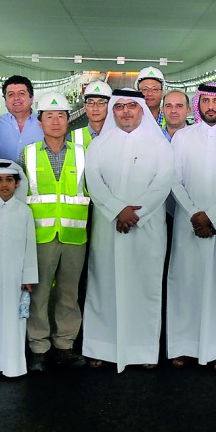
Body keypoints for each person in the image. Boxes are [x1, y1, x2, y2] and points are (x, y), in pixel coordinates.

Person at [82, 87, 174, 370]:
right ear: (114, 111)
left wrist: (136, 214)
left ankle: (143, 350)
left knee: (145, 287)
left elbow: (163, 182)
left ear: (140, 110)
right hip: (108, 229)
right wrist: (116, 211)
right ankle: (100, 347)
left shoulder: (159, 145)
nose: (125, 112)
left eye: (131, 107)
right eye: (119, 107)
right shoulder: (99, 144)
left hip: (146, 230)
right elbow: (93, 182)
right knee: (103, 286)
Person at [166, 84, 216, 372]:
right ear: (197, 105)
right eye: (206, 101)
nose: (211, 106)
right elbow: (174, 179)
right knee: (186, 282)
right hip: (188, 222)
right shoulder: (183, 137)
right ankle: (184, 346)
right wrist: (194, 214)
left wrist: (214, 216)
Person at [23, 92, 91, 371]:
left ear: (69, 120)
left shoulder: (83, 153)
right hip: (40, 236)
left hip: (75, 235)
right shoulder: (27, 154)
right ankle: (38, 346)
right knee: (38, 294)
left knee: (68, 292)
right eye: (49, 116)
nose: (55, 121)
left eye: (61, 116)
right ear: (39, 122)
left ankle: (65, 343)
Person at [0, 160, 39, 378]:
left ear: (18, 183)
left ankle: (14, 366)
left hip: (15, 277)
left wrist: (28, 276)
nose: (4, 185)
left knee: (15, 320)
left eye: (9, 180)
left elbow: (30, 246)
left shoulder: (24, 212)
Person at [0, 75, 43, 163]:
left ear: (31, 98)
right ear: (5, 100)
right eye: (11, 94)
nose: (16, 98)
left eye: (21, 93)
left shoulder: (44, 124)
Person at [135, 66, 170, 140]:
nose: (150, 93)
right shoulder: (130, 119)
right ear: (138, 93)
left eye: (154, 89)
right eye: (145, 89)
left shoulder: (171, 119)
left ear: (162, 93)